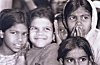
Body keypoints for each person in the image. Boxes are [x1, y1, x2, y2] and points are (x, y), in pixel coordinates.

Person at [63, 0, 100, 64]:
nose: (78, 23)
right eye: (73, 18)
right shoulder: (62, 37)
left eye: (85, 18)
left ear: (92, 20)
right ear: (65, 21)